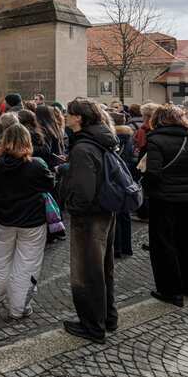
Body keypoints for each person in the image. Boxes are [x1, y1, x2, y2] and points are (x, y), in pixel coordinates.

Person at [59, 98, 118, 344]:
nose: (64, 116)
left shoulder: (83, 147)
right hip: (105, 210)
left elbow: (84, 191)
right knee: (104, 268)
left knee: (86, 272)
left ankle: (92, 326)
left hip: (89, 217)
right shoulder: (100, 138)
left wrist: (71, 208)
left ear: (78, 119)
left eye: (68, 114)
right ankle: (108, 317)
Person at [0, 124, 55, 318]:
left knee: (0, 258)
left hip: (5, 219)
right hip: (31, 221)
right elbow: (50, 184)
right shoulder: (36, 165)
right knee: (26, 263)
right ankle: (18, 307)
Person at [142, 104, 188, 307]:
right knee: (186, 243)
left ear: (157, 119)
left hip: (163, 200)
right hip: (187, 199)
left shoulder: (155, 140)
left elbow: (153, 172)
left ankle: (171, 291)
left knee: (163, 245)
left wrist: (147, 187)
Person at [110, 112, 137, 258]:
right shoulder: (129, 136)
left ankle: (117, 248)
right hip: (128, 177)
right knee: (125, 215)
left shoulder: (114, 137)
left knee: (116, 216)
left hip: (116, 179)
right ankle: (127, 247)